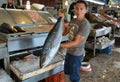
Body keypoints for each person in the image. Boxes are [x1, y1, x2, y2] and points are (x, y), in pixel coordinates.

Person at [59, 0, 91, 82]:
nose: (79, 11)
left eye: (81, 9)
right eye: (77, 8)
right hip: (69, 51)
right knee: (67, 72)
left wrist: (59, 45)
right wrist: (61, 19)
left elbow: (76, 42)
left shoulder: (85, 24)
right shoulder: (74, 20)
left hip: (76, 54)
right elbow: (65, 32)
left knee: (74, 77)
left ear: (86, 10)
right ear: (74, 9)